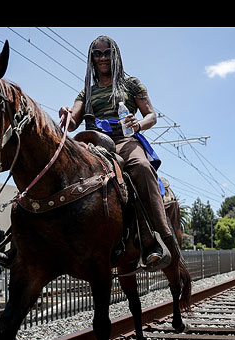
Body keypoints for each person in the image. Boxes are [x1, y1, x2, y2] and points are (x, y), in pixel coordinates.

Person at [58, 35, 172, 269]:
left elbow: (151, 115)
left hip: (124, 139)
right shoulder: (86, 93)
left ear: (116, 55)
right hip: (93, 143)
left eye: (107, 52)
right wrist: (67, 114)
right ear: (92, 58)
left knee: (140, 167)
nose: (102, 57)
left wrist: (138, 124)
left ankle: (158, 237)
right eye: (97, 54)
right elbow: (72, 124)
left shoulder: (131, 84)